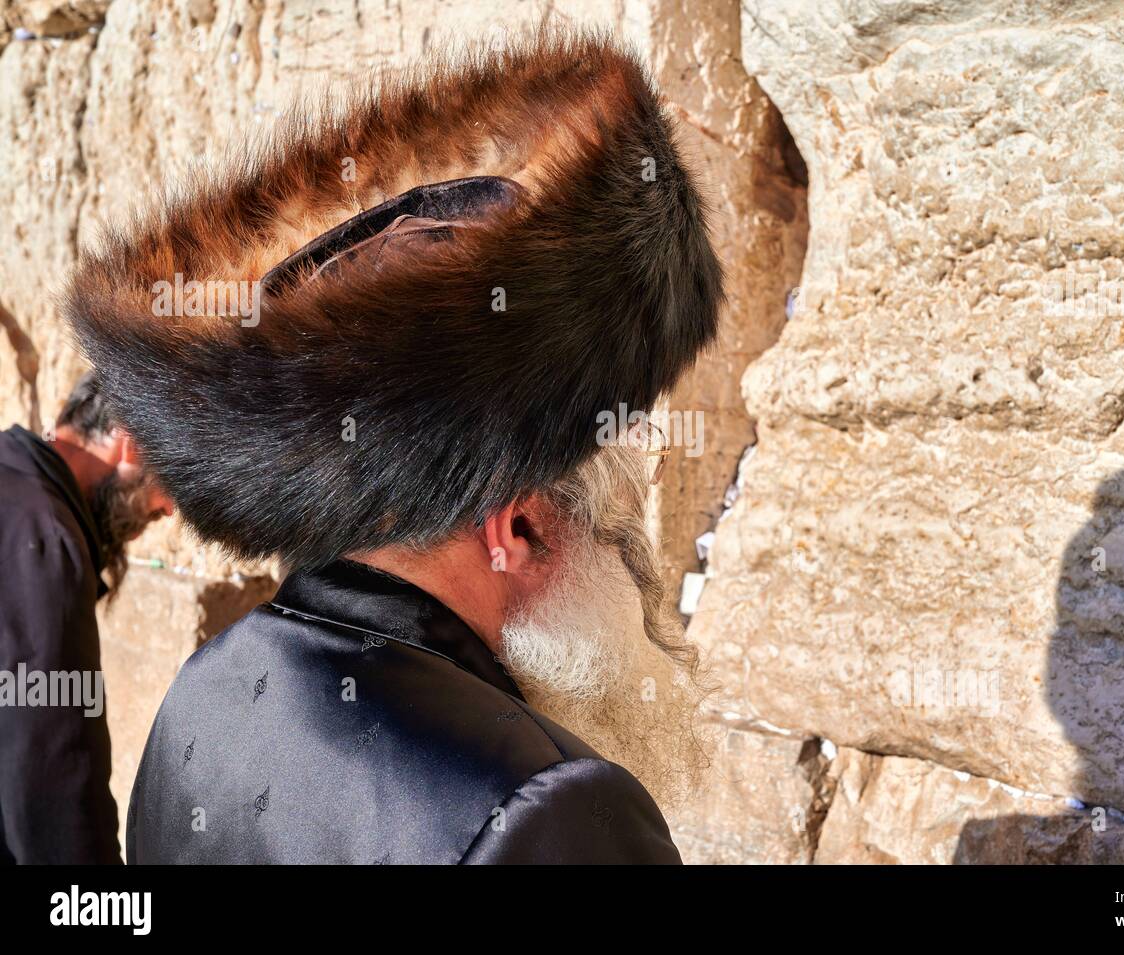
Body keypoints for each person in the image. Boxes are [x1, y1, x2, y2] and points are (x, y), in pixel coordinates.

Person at [69, 30, 725, 864]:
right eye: (617, 505)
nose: (630, 550)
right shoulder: (549, 809)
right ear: (514, 524)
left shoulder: (197, 698)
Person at [0, 372, 173, 863]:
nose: (168, 509)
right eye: (173, 481)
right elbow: (51, 783)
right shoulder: (46, 539)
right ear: (131, 445)